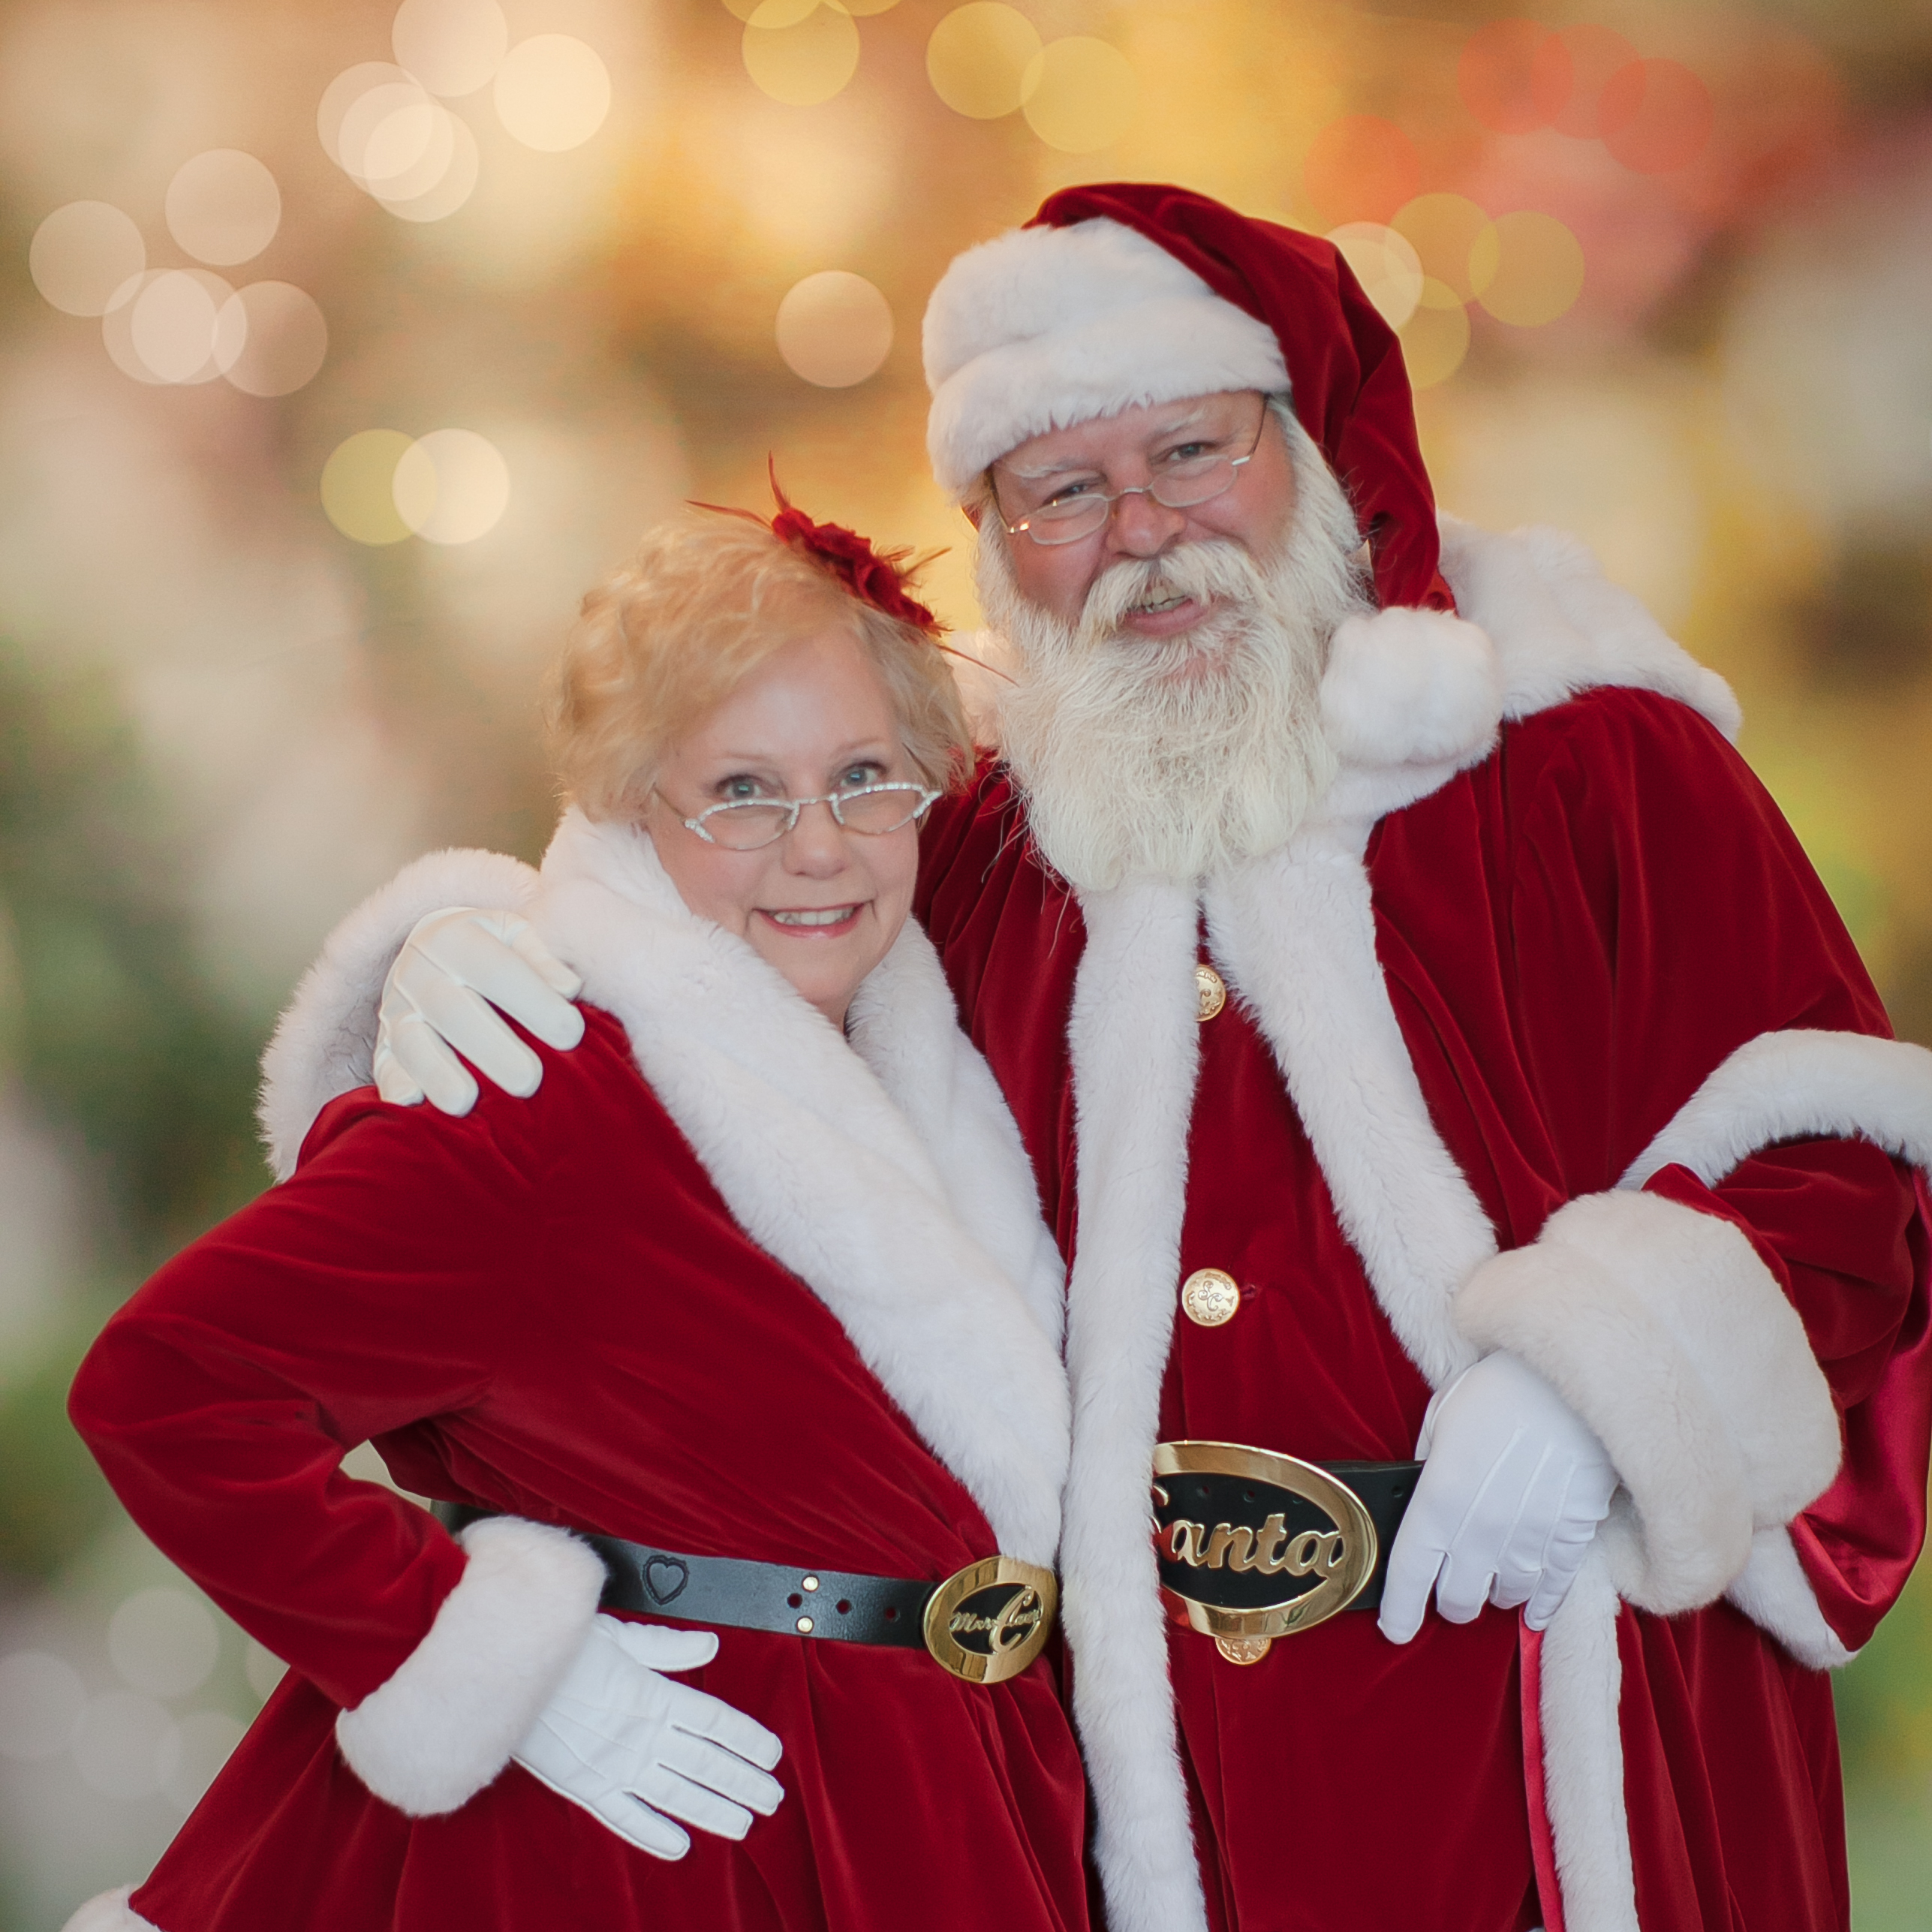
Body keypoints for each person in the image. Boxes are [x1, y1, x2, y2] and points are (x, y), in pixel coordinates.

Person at [243, 188, 1932, 1932]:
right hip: (1131, 1793)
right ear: (993, 537)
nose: (1141, 530)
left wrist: (1600, 1382)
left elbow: (1847, 1152)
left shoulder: (1585, 762)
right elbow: (700, 1019)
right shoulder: (962, 845)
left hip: (1558, 1724)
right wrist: (467, 948)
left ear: (1316, 450)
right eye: (1063, 489)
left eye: (1191, 450)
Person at [62, 506, 1093, 1932]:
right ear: (628, 808)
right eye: (741, 790)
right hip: (654, 1842)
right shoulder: (540, 1086)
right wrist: (500, 1668)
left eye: (863, 776)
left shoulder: (937, 1053)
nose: (819, 847)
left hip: (933, 1804)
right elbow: (168, 1383)